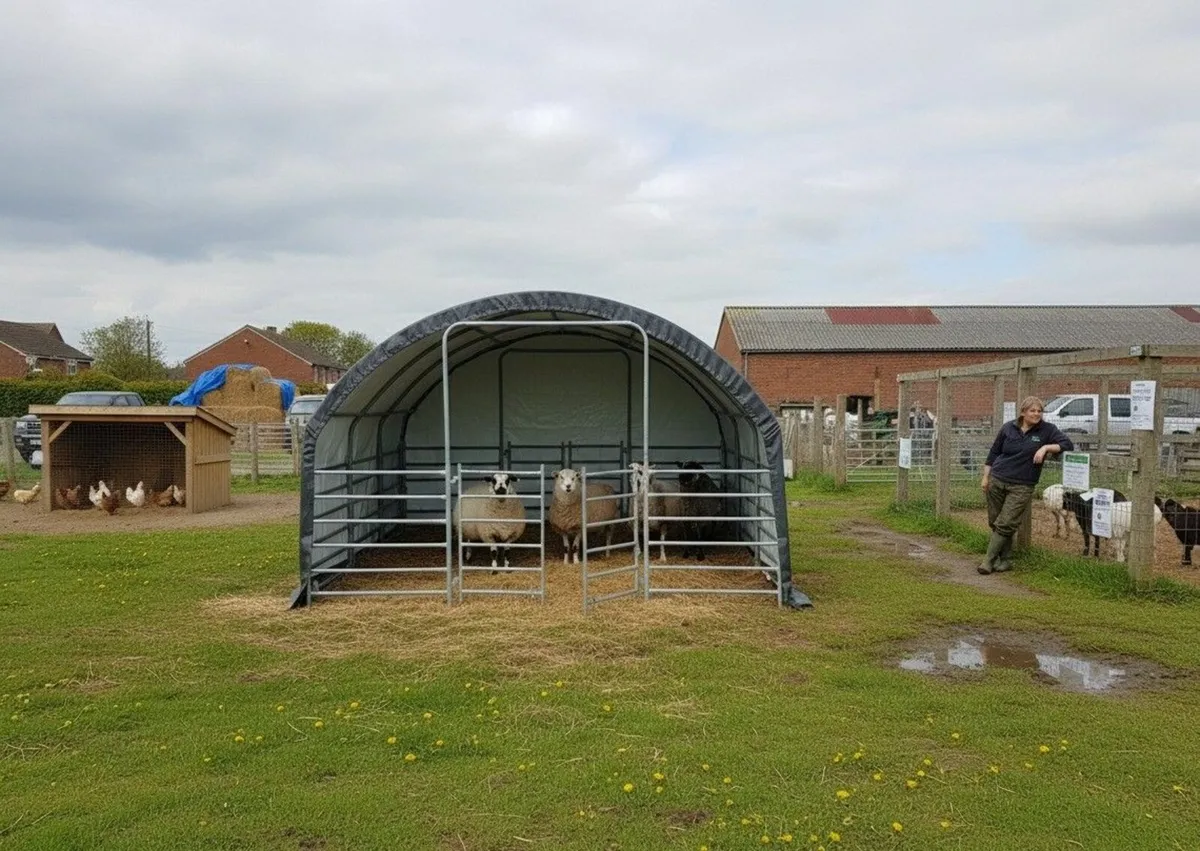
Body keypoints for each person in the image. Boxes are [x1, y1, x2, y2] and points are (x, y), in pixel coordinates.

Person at [979, 396, 1073, 574]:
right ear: (1023, 412)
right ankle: (1005, 560)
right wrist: (986, 477)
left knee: (1006, 522)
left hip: (1022, 485)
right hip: (997, 479)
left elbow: (1067, 444)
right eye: (1033, 410)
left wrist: (1045, 448)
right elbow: (993, 453)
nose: (1037, 414)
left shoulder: (1047, 430)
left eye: (1039, 411)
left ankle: (987, 561)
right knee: (995, 521)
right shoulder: (1008, 428)